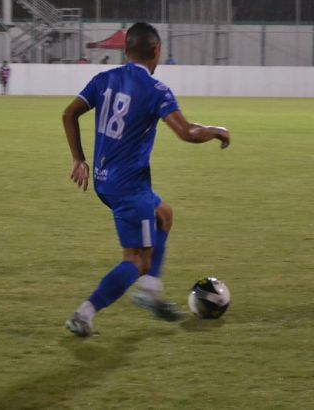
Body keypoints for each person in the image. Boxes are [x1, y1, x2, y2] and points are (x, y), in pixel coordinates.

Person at [61, 22, 231, 337]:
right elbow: (188, 133)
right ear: (156, 51)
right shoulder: (155, 90)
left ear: (126, 51)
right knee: (136, 261)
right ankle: (85, 313)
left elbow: (69, 114)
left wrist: (78, 159)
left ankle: (150, 290)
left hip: (104, 179)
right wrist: (217, 131)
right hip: (130, 188)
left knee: (164, 215)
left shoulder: (104, 78)